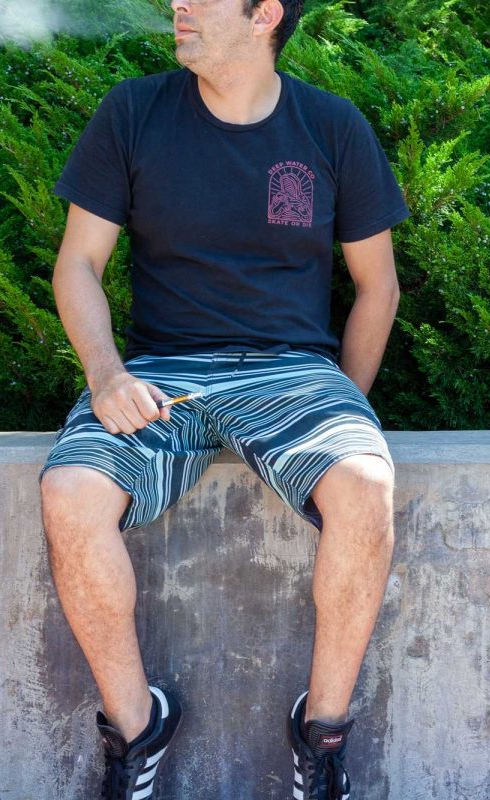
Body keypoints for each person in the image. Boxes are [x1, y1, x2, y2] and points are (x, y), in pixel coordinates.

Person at [37, 0, 409, 797]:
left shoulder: (331, 128)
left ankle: (323, 737)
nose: (179, 4)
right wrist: (105, 374)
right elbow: (78, 266)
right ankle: (137, 731)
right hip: (160, 374)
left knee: (368, 488)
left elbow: (377, 287)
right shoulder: (133, 113)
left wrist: (343, 404)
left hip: (290, 373)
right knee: (69, 493)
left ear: (264, 14)